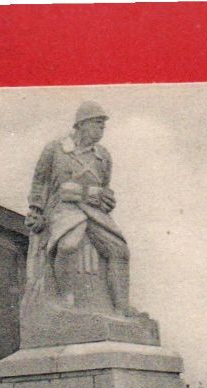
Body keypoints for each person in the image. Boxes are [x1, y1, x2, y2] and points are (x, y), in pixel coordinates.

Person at [24, 101, 132, 316]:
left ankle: (121, 307)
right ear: (82, 125)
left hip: (94, 211)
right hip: (63, 208)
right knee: (67, 245)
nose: (102, 129)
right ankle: (66, 297)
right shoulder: (56, 149)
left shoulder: (102, 156)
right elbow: (40, 180)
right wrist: (36, 209)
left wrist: (108, 200)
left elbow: (105, 186)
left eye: (103, 125)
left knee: (119, 251)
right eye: (97, 123)